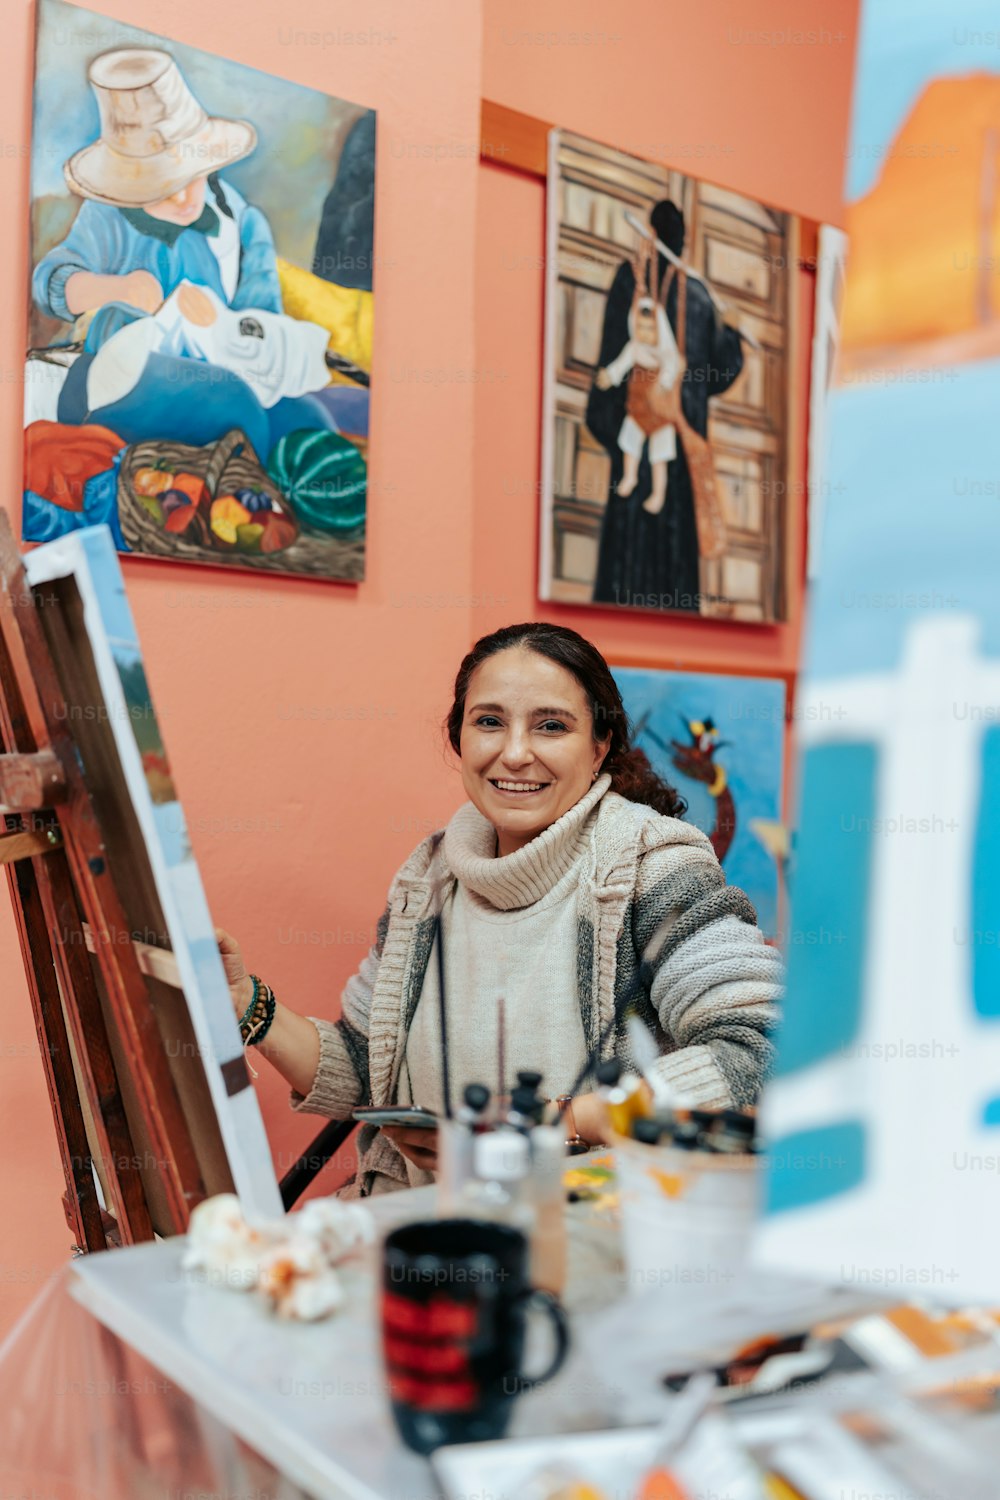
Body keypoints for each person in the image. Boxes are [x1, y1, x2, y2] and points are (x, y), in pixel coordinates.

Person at [216, 623, 782, 1197]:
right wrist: (248, 1006)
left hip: (585, 1235)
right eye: (489, 722)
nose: (514, 753)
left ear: (599, 746)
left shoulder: (650, 864)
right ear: (459, 738)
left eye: (552, 726)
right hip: (420, 1225)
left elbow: (760, 1047)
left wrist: (560, 1123)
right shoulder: (429, 876)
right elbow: (366, 1067)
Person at [31, 47, 336, 458]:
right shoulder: (109, 216)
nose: (179, 196)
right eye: (159, 183)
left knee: (309, 425)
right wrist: (115, 288)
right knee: (232, 408)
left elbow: (262, 323)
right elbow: (49, 283)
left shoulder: (240, 225)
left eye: (187, 176)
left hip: (222, 368)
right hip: (124, 377)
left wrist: (221, 324)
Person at [586, 199, 745, 611]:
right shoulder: (697, 295)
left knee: (633, 530)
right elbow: (721, 372)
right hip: (670, 431)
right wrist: (731, 331)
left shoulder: (636, 280)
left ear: (653, 234)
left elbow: (614, 356)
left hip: (641, 424)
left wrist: (611, 407)